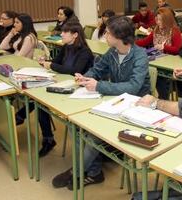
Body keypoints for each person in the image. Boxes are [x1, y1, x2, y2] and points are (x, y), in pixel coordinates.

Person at [52, 16, 150, 190]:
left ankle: (77, 171)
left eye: (108, 33)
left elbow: (134, 87)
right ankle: (94, 172)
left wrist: (99, 85)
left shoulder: (140, 55)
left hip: (136, 107)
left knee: (92, 135)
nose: (105, 36)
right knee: (77, 126)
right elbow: (97, 70)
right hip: (116, 101)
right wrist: (85, 77)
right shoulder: (112, 52)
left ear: (119, 37)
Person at [15, 22, 95, 157]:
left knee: (40, 101)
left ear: (75, 35)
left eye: (65, 32)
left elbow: (74, 71)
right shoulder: (66, 47)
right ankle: (48, 139)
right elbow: (56, 62)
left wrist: (51, 64)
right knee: (39, 102)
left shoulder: (85, 52)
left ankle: (20, 116)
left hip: (79, 90)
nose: (61, 34)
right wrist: (46, 60)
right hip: (63, 83)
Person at [136, 8, 182, 99]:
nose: (158, 22)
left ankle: (162, 99)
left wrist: (164, 47)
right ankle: (148, 96)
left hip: (169, 64)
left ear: (167, 19)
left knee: (160, 80)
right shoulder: (156, 30)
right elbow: (145, 42)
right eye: (157, 19)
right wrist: (129, 42)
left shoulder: (174, 31)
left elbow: (178, 49)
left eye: (160, 20)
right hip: (158, 60)